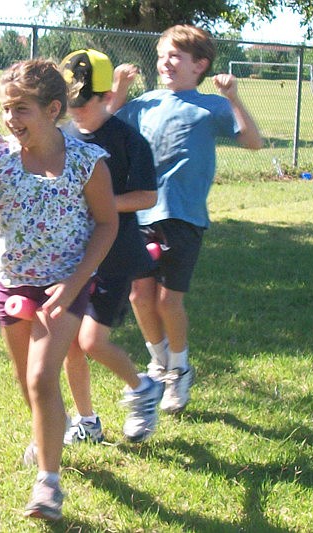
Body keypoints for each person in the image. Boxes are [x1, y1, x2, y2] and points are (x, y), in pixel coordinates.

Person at [0, 59, 118, 522]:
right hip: (12, 284)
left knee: (41, 378)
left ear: (53, 108)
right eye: (6, 110)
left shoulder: (85, 162)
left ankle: (48, 486)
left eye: (22, 110)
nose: (11, 120)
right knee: (28, 383)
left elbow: (107, 223)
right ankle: (46, 435)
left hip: (64, 286)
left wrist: (75, 283)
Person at [110, 25, 263, 414]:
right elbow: (105, 127)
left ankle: (179, 369)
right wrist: (120, 89)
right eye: (163, 55)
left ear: (200, 65)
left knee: (167, 299)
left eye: (176, 56)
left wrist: (233, 96)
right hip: (139, 212)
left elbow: (252, 140)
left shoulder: (210, 106)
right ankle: (159, 363)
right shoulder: (144, 103)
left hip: (183, 216)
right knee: (139, 296)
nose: (166, 62)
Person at [59, 49, 163, 445]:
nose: (76, 111)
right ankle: (87, 422)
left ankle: (143, 388)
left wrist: (103, 202)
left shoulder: (128, 140)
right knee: (70, 343)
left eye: (83, 103)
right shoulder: (64, 136)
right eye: (69, 103)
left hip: (115, 256)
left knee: (91, 341)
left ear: (104, 97)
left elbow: (147, 197)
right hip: (72, 255)